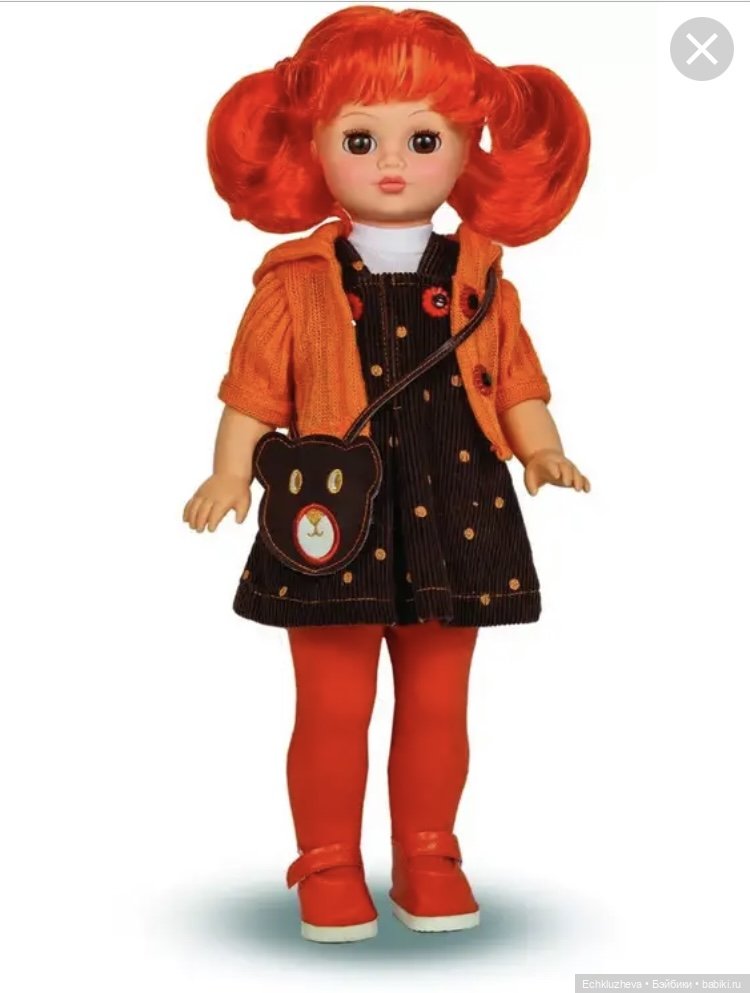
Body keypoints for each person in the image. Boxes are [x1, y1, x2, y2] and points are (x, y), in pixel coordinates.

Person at [182, 4, 591, 943]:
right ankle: (327, 859)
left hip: (460, 505)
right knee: (333, 703)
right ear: (313, 147)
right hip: (336, 520)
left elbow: (516, 382)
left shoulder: (484, 278)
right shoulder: (295, 282)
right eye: (361, 139)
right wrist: (230, 474)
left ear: (469, 149)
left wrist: (541, 449)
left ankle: (428, 852)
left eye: (425, 138)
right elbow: (252, 394)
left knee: (441, 701)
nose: (392, 162)